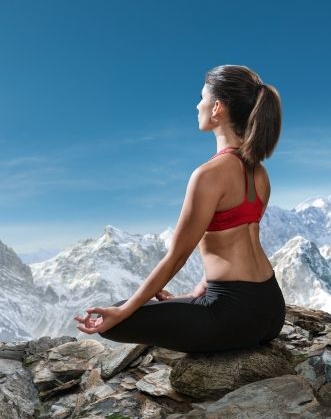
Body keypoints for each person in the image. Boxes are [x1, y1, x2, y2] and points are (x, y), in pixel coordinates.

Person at [73, 64, 285, 353]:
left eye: (202, 97)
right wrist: (194, 295)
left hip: (235, 317)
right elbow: (234, 243)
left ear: (217, 108)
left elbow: (177, 257)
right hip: (272, 309)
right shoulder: (260, 173)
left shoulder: (209, 175)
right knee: (151, 307)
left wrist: (124, 312)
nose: (198, 104)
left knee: (115, 316)